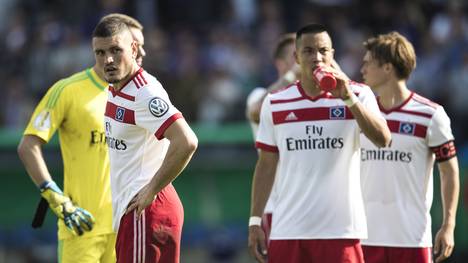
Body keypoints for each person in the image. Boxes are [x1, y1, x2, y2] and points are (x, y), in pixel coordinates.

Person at [248, 23, 391, 263]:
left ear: (332, 55)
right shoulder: (275, 103)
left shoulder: (358, 94)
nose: (317, 57)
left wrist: (348, 99)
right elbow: (266, 165)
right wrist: (254, 222)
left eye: (323, 50)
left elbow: (383, 139)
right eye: (308, 51)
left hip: (341, 231)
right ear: (296, 57)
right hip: (288, 230)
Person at [17, 13, 146, 263]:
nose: (141, 53)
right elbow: (28, 145)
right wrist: (56, 199)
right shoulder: (68, 90)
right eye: (136, 46)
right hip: (82, 226)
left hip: (123, 227)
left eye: (141, 47)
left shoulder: (139, 94)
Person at [93, 17, 198, 263]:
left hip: (145, 211)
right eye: (100, 52)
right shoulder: (116, 88)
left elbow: (187, 141)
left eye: (115, 50)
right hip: (134, 213)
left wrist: (151, 190)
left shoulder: (144, 93)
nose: (108, 59)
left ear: (132, 48)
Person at [360, 31, 460, 263]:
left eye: (368, 63)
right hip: (364, 237)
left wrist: (448, 225)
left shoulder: (431, 115)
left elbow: (449, 171)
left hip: (412, 239)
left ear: (387, 68)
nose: (362, 69)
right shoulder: (359, 114)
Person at [245, 33, 298, 244]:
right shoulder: (262, 96)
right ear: (281, 64)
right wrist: (292, 76)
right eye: (297, 55)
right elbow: (256, 110)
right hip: (277, 208)